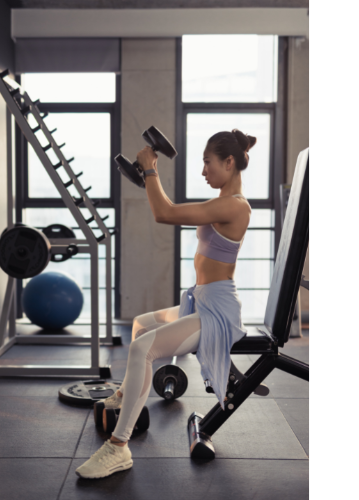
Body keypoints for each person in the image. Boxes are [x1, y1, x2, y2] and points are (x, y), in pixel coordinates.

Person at [76, 129, 256, 479]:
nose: (203, 171)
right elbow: (167, 208)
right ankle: (126, 395)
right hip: (201, 300)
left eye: (208, 162)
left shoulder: (234, 205)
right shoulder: (223, 202)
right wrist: (148, 175)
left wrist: (150, 169)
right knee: (141, 324)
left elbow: (166, 213)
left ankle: (118, 447)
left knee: (143, 349)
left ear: (229, 162)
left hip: (217, 311)